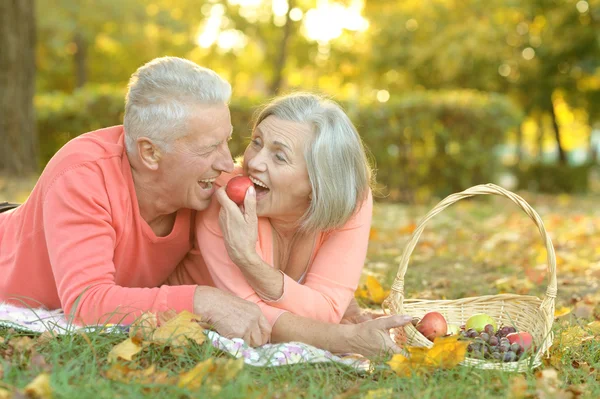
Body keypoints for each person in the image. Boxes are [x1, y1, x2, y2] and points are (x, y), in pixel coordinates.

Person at [0, 57, 270, 346]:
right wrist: (201, 301)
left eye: (226, 141)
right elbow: (86, 303)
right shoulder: (82, 174)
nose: (227, 164)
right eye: (209, 149)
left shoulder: (209, 186)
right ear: (150, 153)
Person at [167, 93, 411, 356]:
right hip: (179, 312)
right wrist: (346, 337)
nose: (255, 163)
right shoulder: (225, 198)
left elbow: (327, 311)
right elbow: (255, 320)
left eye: (279, 156)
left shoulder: (352, 200)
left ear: (318, 183)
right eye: (256, 142)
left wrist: (250, 261)